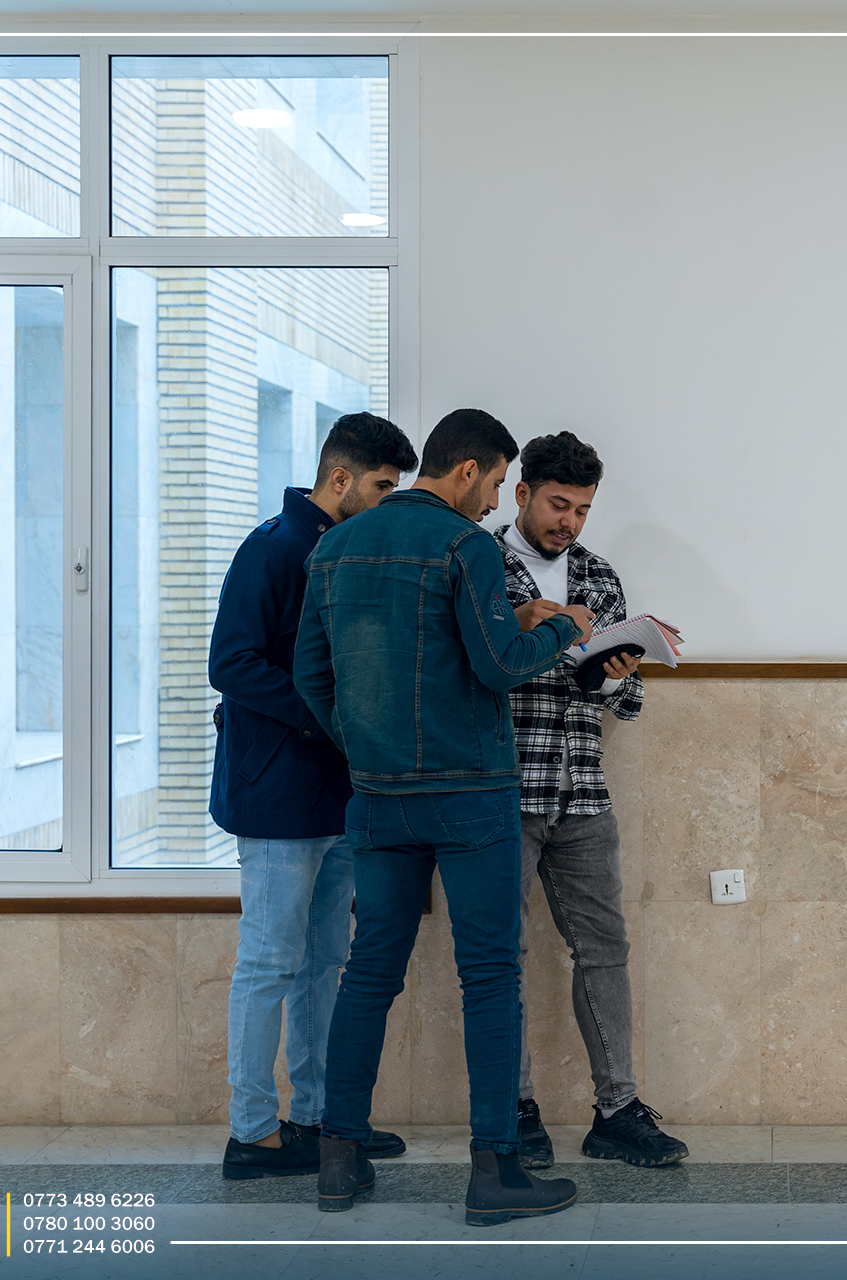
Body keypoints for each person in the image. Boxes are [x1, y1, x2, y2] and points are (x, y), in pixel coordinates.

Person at [294, 408, 595, 1225]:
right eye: (496, 484)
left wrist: (365, 746)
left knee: (369, 971)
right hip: (471, 796)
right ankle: (495, 1173)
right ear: (467, 471)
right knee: (490, 976)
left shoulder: (335, 547)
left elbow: (311, 675)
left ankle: (338, 1160)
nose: (495, 501)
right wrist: (562, 627)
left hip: (378, 796)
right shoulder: (467, 546)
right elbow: (495, 667)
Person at [210, 413, 418, 1180]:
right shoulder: (272, 548)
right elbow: (231, 663)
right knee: (270, 962)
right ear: (340, 480)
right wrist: (327, 711)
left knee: (323, 961)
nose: (387, 501)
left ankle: (323, 1118)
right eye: (382, 487)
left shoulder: (346, 551)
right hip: (276, 796)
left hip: (336, 795)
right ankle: (252, 1135)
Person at [495, 432, 689, 1169]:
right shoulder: (481, 565)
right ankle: (513, 1110)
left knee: (604, 951)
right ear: (522, 494)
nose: (569, 522)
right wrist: (552, 647)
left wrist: (610, 674)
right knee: (500, 958)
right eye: (557, 505)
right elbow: (475, 671)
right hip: (504, 795)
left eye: (581, 510)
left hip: (583, 793)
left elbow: (627, 700)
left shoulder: (598, 575)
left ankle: (616, 1110)